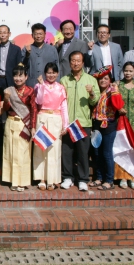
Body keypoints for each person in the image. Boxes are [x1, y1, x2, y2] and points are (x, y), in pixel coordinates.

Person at [60, 51, 99, 191]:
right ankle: (67, 177)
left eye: (78, 61)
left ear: (83, 63)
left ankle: (83, 179)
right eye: (73, 60)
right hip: (68, 123)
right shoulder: (64, 80)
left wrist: (92, 93)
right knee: (67, 152)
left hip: (83, 123)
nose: (75, 63)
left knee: (83, 153)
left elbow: (95, 101)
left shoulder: (91, 80)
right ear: (69, 62)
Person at [2, 64, 38, 192]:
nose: (18, 78)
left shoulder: (30, 90)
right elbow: (5, 109)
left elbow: (34, 109)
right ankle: (13, 180)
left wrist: (33, 126)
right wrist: (6, 100)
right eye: (16, 76)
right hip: (11, 123)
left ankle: (22, 181)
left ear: (26, 77)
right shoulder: (8, 90)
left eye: (20, 76)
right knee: (11, 152)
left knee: (23, 154)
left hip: (24, 124)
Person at [33, 62, 68, 190]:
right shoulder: (39, 85)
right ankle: (41, 178)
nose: (51, 75)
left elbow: (64, 107)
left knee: (54, 150)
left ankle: (52, 179)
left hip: (56, 119)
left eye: (53, 72)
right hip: (42, 117)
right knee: (41, 148)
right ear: (45, 73)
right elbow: (39, 101)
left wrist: (66, 125)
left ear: (57, 73)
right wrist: (42, 85)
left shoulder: (60, 88)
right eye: (49, 72)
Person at [89, 66, 125, 191]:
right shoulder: (98, 91)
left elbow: (118, 105)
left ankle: (109, 180)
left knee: (107, 153)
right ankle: (98, 177)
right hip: (97, 124)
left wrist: (115, 90)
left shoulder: (113, 91)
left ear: (110, 79)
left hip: (109, 125)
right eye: (101, 79)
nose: (103, 81)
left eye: (106, 78)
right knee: (97, 153)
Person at [22, 23, 59, 88]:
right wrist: (27, 55)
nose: (38, 36)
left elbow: (57, 67)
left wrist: (57, 84)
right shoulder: (26, 49)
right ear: (32, 35)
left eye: (40, 34)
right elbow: (22, 67)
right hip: (31, 85)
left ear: (45, 34)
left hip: (48, 85)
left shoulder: (52, 49)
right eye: (36, 34)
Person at [0, 25, 23, 89]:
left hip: (11, 80)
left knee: (10, 99)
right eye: (0, 33)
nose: (2, 35)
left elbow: (19, 66)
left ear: (9, 34)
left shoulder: (16, 49)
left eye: (5, 33)